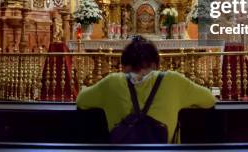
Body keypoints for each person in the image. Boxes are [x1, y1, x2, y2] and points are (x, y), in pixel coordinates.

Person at [76, 36, 216, 143]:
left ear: (125, 65)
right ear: (155, 64)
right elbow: (210, 99)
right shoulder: (173, 80)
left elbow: (81, 100)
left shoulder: (111, 82)